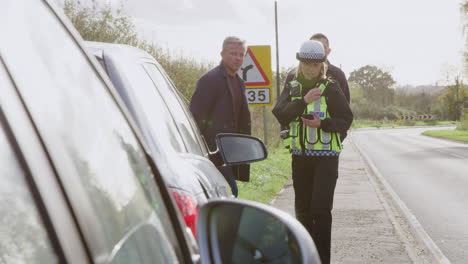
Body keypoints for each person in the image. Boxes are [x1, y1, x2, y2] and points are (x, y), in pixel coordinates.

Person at [272, 40, 353, 264]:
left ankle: (322, 260)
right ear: (300, 63)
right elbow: (280, 114)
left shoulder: (332, 87)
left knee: (321, 210)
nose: (309, 68)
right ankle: (305, 258)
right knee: (303, 211)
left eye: (314, 64)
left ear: (322, 65)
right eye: (306, 63)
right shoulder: (292, 85)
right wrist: (303, 101)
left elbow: (346, 119)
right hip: (300, 157)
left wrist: (323, 124)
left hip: (327, 160)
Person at [189, 36, 251, 197]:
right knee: (231, 193)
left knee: (228, 194)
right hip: (212, 154)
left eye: (241, 54)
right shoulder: (210, 80)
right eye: (232, 53)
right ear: (222, 54)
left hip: (230, 154)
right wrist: (204, 153)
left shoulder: (239, 81)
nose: (237, 58)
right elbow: (195, 118)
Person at [310, 33, 350, 103]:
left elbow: (346, 108)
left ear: (328, 51)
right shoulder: (294, 75)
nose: (318, 50)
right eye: (314, 46)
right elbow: (284, 109)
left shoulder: (339, 74)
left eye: (322, 47)